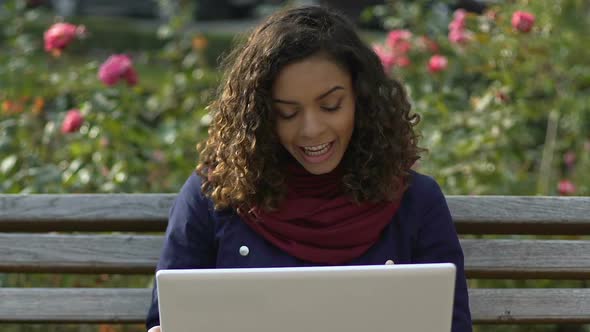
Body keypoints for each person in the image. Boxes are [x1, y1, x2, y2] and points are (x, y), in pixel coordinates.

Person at [146, 5, 472, 332]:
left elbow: (452, 325)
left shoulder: (417, 202)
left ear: (362, 99)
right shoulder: (214, 194)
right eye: (287, 113)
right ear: (260, 116)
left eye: (331, 106)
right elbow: (164, 320)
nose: (311, 130)